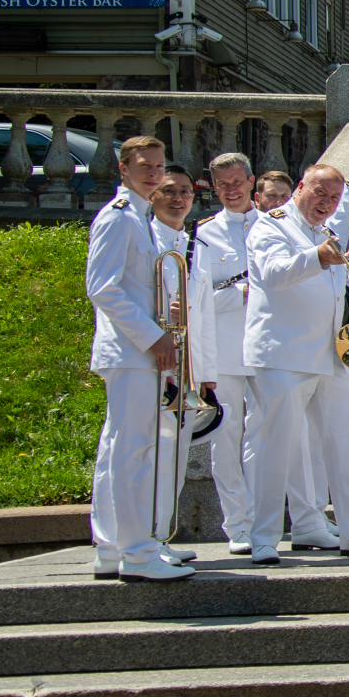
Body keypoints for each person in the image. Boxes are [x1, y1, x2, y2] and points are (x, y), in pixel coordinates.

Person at [241, 165, 349, 566]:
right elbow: (273, 274)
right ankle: (263, 536)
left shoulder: (326, 235)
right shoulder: (271, 226)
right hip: (284, 355)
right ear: (300, 188)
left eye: (334, 199)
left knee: (345, 444)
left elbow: (342, 302)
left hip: (331, 356)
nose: (327, 204)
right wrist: (317, 256)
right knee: (277, 447)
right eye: (320, 193)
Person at [88, 137, 198, 581]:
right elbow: (103, 287)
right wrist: (154, 337)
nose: (153, 174)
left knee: (119, 448)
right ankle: (135, 552)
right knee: (133, 451)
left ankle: (114, 545)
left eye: (157, 166)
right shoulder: (118, 219)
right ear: (123, 168)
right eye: (144, 166)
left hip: (136, 350)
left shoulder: (139, 217)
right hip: (131, 351)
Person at [145, 164, 217, 566]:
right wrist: (161, 312)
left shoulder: (197, 246)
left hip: (186, 369)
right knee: (152, 455)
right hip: (153, 364)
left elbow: (203, 318)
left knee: (173, 458)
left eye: (185, 192)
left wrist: (204, 376)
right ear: (154, 195)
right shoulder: (145, 238)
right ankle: (143, 538)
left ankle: (160, 536)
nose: (178, 199)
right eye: (169, 191)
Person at [191, 152, 261, 555]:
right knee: (226, 439)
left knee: (268, 436)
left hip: (268, 348)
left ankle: (265, 516)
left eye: (237, 181)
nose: (231, 190)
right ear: (214, 188)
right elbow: (197, 301)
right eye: (223, 185)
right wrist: (238, 293)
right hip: (227, 350)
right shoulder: (203, 235)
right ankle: (238, 524)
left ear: (251, 181)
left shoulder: (274, 225)